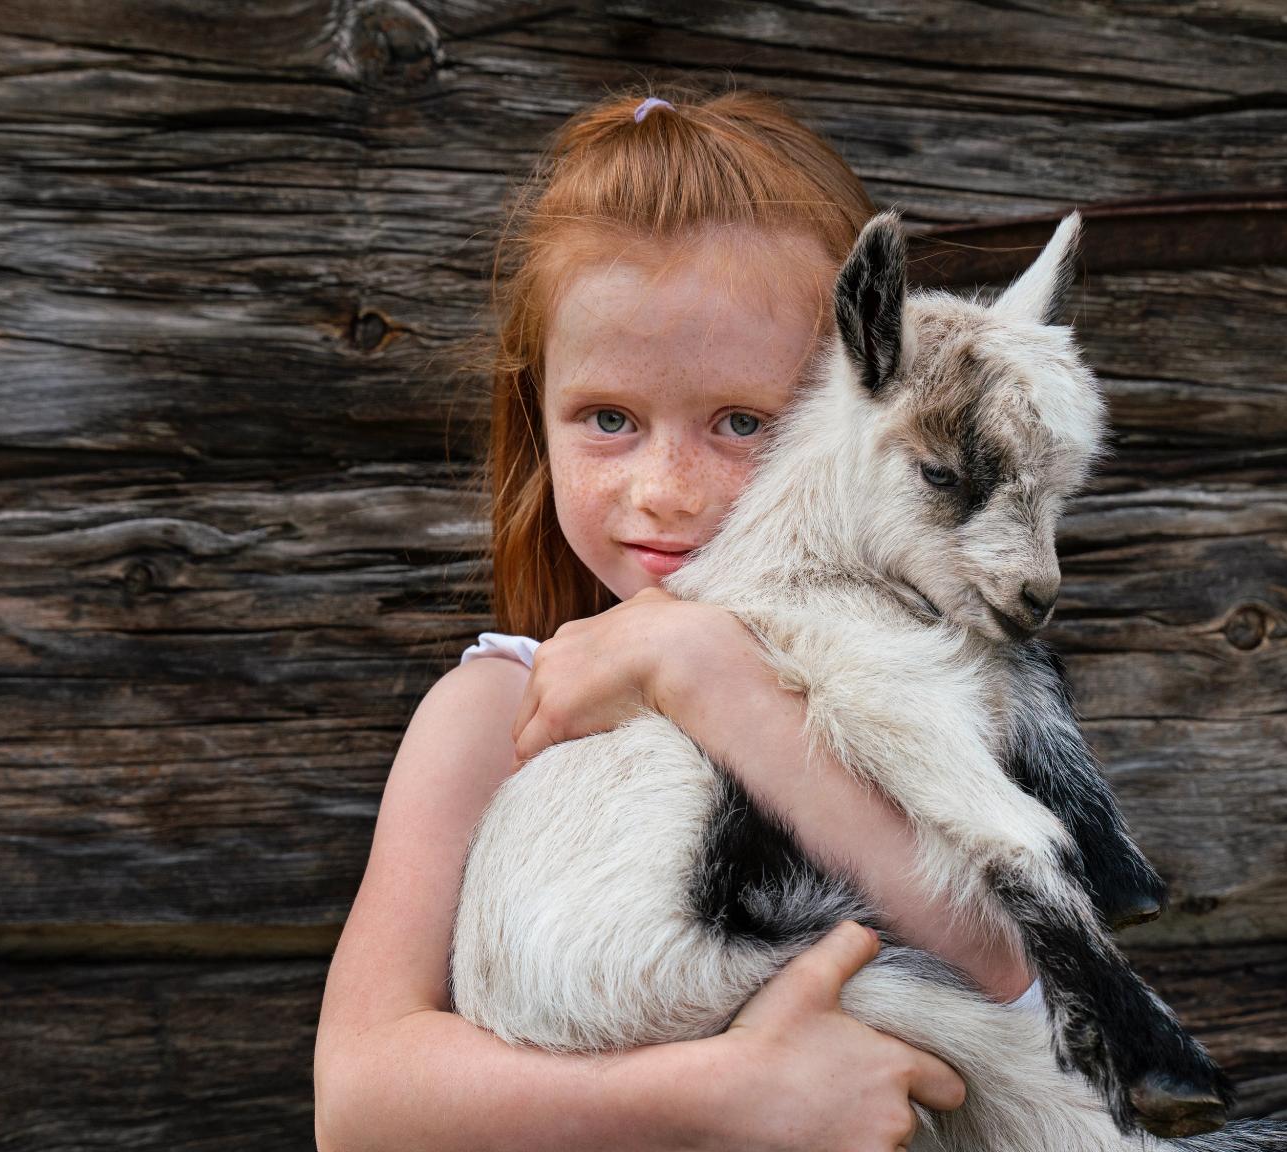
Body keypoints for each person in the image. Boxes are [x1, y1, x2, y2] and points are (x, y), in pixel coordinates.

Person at [313, 88, 1040, 1152]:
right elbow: (359, 1099)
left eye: (742, 422)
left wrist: (715, 681)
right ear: (536, 418)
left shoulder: (907, 687)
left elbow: (1012, 969)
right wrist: (715, 1093)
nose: (664, 490)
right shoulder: (496, 712)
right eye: (608, 419)